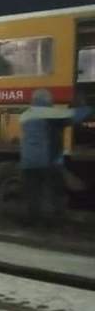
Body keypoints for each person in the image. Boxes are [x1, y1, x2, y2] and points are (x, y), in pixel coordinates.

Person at [18, 89, 93, 226]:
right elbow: (78, 115)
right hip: (48, 161)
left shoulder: (25, 115)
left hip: (28, 162)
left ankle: (32, 222)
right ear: (46, 100)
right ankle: (59, 221)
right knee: (57, 192)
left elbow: (58, 124)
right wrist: (84, 104)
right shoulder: (49, 113)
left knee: (33, 194)